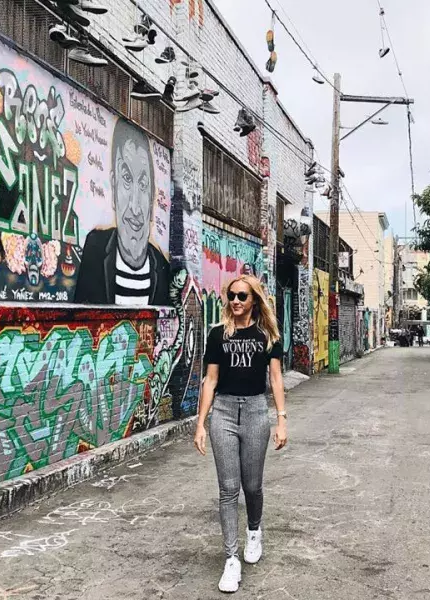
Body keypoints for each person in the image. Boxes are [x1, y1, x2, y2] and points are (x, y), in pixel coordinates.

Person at [194, 275, 288, 593]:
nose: (235, 301)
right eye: (231, 296)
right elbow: (210, 380)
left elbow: (275, 380)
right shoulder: (218, 335)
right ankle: (231, 559)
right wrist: (200, 424)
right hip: (223, 413)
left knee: (252, 486)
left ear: (254, 300)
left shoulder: (268, 335)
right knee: (228, 489)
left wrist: (282, 419)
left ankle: (254, 530)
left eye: (242, 296)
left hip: (255, 412)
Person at [73, 118, 170, 306]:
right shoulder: (95, 249)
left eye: (143, 184)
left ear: (152, 198)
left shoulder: (162, 267)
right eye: (126, 178)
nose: (135, 207)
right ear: (114, 186)